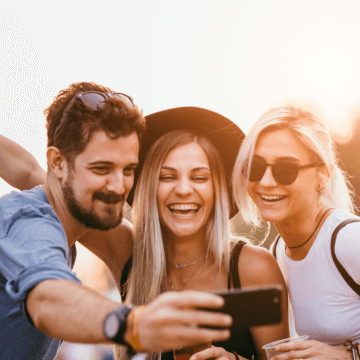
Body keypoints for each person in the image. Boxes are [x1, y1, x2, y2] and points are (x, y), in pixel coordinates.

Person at [0, 83, 233, 360]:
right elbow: (48, 297)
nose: (118, 186)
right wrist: (134, 324)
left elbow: (30, 172)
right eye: (102, 168)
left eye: (129, 169)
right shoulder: (29, 221)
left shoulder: (63, 213)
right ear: (58, 163)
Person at [116, 107, 289, 360]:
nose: (184, 189)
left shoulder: (252, 269)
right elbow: (56, 191)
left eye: (199, 177)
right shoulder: (128, 256)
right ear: (148, 187)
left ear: (217, 189)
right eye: (166, 176)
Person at [232, 105, 360, 360]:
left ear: (322, 174)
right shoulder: (276, 252)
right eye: (255, 167)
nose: (266, 182)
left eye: (286, 169)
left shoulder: (348, 241)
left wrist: (347, 356)